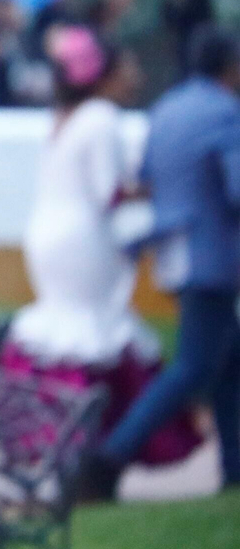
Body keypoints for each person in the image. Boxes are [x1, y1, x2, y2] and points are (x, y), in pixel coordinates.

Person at [2, 26, 200, 467]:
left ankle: (53, 435)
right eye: (127, 65)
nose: (134, 73)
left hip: (47, 235)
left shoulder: (65, 116)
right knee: (95, 332)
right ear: (106, 74)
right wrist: (161, 186)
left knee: (65, 327)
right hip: (82, 240)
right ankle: (94, 441)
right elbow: (108, 192)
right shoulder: (102, 117)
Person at [83, 26, 240, 498]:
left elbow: (148, 174)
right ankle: (108, 458)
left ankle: (234, 469)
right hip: (210, 256)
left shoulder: (168, 107)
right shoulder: (225, 112)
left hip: (172, 248)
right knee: (193, 366)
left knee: (229, 363)